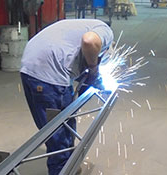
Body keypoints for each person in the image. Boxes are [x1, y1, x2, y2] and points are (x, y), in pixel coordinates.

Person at [20, 19, 113, 175]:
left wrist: (89, 79)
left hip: (29, 68)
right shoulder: (106, 32)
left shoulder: (78, 26)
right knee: (59, 133)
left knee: (54, 127)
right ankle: (61, 170)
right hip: (50, 75)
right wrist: (94, 69)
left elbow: (75, 62)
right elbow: (89, 42)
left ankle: (68, 166)